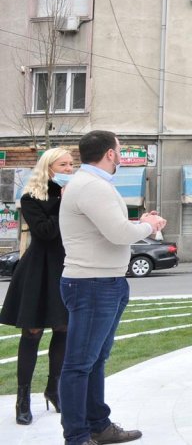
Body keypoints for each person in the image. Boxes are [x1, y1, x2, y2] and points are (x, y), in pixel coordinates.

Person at [59, 130, 167, 445]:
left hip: (103, 281)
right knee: (80, 364)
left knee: (94, 360)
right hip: (93, 283)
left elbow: (109, 229)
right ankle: (77, 436)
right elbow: (119, 234)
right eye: (119, 149)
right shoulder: (92, 186)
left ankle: (98, 426)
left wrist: (139, 222)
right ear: (110, 153)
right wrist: (149, 225)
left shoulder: (92, 184)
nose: (120, 155)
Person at [0, 147, 73, 425]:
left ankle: (54, 389)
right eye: (63, 164)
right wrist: (63, 203)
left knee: (63, 329)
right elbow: (45, 232)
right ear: (49, 167)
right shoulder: (30, 197)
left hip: (66, 267)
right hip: (38, 270)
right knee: (32, 332)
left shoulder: (73, 195)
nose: (69, 169)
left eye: (71, 164)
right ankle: (22, 399)